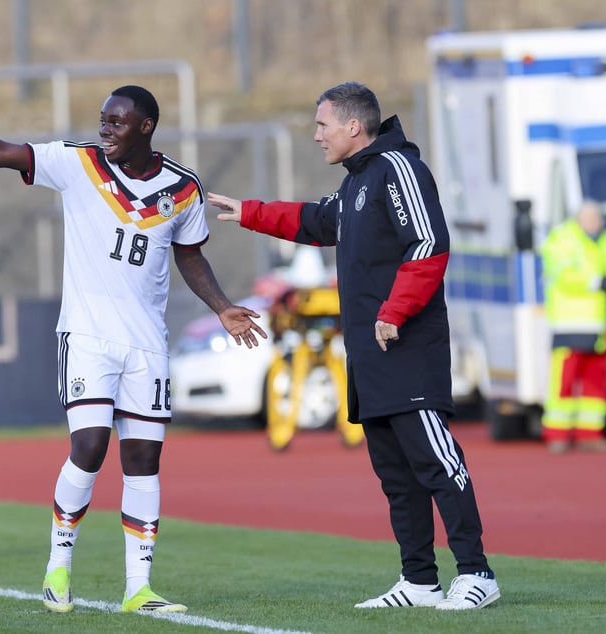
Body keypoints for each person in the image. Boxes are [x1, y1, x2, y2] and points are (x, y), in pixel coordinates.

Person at [0, 85, 266, 614]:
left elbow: (190, 257)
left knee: (144, 460)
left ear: (146, 127)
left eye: (116, 122)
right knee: (89, 446)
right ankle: (58, 564)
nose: (104, 129)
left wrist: (221, 306)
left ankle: (139, 588)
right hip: (86, 336)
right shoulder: (77, 163)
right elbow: (1, 152)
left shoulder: (183, 189)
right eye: (103, 120)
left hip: (146, 343)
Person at [208, 81, 499, 610]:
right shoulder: (356, 183)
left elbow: (430, 242)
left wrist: (394, 312)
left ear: (353, 127)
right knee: (395, 475)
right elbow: (317, 222)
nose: (316, 136)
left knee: (437, 462)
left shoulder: (398, 169)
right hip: (370, 356)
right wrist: (250, 212)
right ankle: (419, 581)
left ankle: (477, 573)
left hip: (408, 347)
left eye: (322, 125)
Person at [539, 201, 606, 453]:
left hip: (601, 326)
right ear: (579, 218)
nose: (597, 222)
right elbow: (563, 275)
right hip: (569, 323)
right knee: (563, 381)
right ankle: (557, 435)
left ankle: (590, 433)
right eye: (592, 217)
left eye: (598, 217)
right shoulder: (563, 238)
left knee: (595, 382)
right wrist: (600, 282)